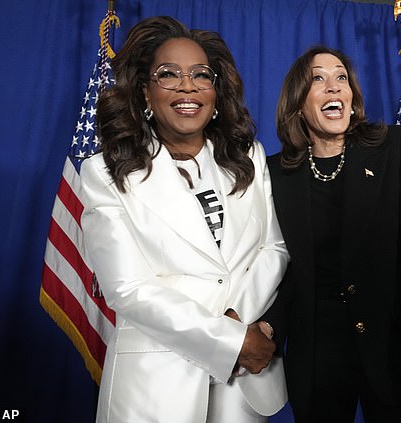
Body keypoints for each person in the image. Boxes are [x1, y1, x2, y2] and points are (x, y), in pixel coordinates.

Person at [79, 16, 289, 423]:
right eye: (168, 75)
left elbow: (275, 247)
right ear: (145, 91)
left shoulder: (248, 158)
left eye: (200, 75)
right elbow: (129, 289)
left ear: (215, 90)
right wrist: (228, 340)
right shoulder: (105, 172)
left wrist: (237, 322)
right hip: (156, 385)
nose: (187, 86)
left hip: (241, 386)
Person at [262, 46, 401, 423]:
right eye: (318, 79)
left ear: (352, 97)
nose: (334, 87)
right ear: (299, 103)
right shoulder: (276, 172)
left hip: (391, 347)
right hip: (317, 352)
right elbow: (283, 266)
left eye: (341, 78)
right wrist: (268, 326)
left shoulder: (395, 148)